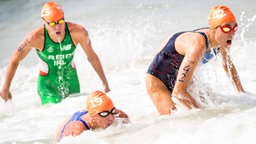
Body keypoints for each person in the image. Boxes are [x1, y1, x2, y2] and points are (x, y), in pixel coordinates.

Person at [0, 1, 110, 104]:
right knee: (56, 111)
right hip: (47, 85)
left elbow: (92, 57)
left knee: (75, 110)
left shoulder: (78, 32)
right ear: (44, 22)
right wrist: (6, 88)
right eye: (52, 23)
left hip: (71, 80)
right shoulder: (34, 38)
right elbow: (15, 60)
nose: (58, 27)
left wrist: (105, 82)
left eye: (61, 21)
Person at [146, 5, 245, 115]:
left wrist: (242, 92)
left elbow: (227, 65)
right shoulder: (198, 43)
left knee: (215, 104)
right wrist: (204, 115)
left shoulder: (223, 40)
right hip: (159, 82)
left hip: (183, 80)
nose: (231, 33)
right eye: (226, 28)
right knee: (174, 120)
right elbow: (178, 93)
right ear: (213, 28)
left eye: (235, 27)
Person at [56, 90, 129, 141]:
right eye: (104, 114)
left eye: (112, 111)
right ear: (92, 115)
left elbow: (129, 122)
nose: (111, 118)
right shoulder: (77, 130)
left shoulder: (112, 112)